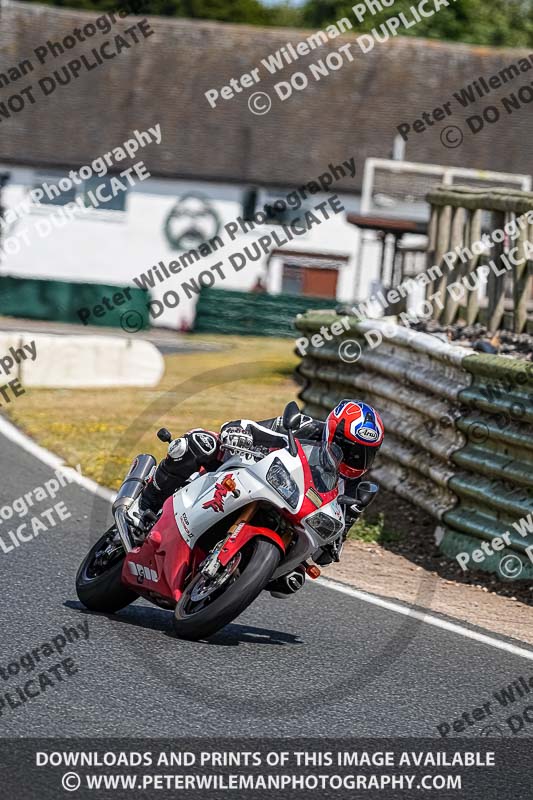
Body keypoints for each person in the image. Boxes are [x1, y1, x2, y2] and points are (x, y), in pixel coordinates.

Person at [140, 399, 384, 567]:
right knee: (200, 443)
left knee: (292, 579)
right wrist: (239, 433)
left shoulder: (353, 488)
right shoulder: (306, 427)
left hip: (292, 514)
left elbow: (327, 554)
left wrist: (335, 540)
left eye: (366, 452)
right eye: (349, 447)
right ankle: (144, 507)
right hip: (252, 473)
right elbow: (253, 427)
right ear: (332, 433)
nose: (355, 457)